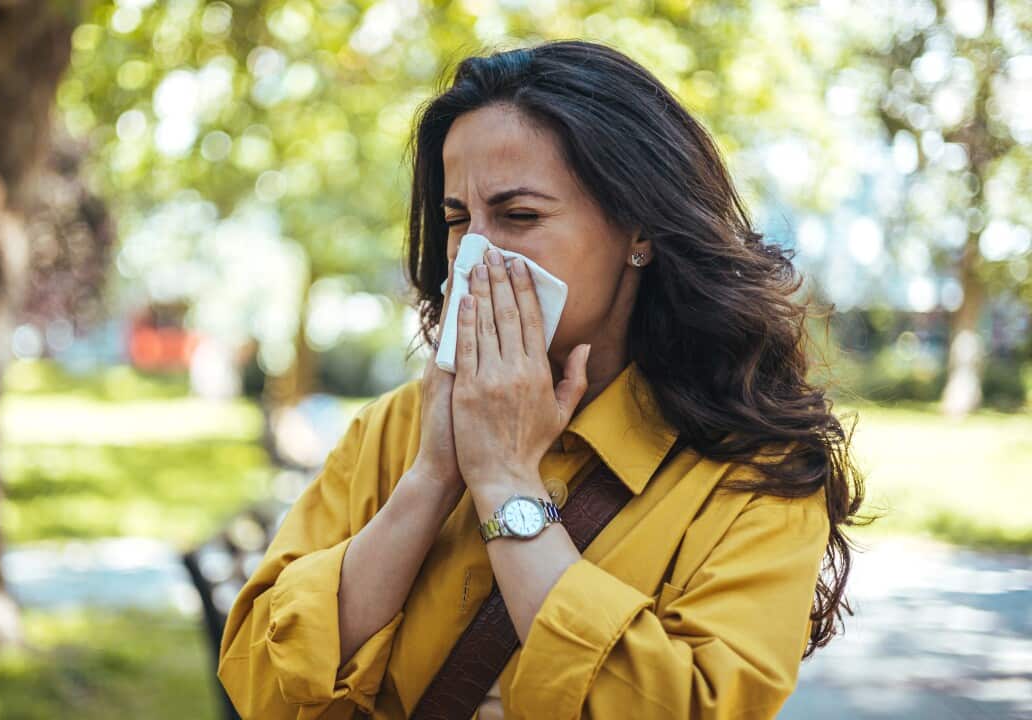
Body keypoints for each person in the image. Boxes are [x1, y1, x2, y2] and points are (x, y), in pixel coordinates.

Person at [217, 39, 866, 719]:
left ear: (639, 230)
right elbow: (259, 681)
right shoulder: (396, 427)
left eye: (520, 216)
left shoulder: (754, 472)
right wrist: (433, 478)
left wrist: (505, 483)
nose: (475, 252)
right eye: (457, 218)